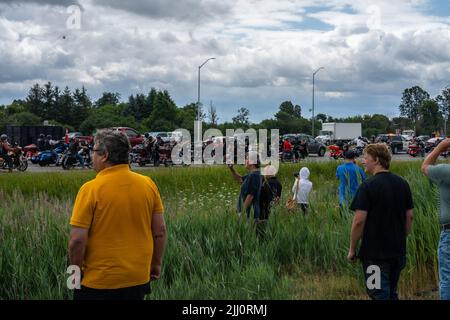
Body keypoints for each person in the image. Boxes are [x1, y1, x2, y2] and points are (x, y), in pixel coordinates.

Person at [69, 129, 167, 300]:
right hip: (137, 278)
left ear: (104, 155)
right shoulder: (148, 185)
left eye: (93, 151)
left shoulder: (90, 189)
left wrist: (74, 275)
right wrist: (156, 265)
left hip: (98, 282)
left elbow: (77, 241)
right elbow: (160, 231)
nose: (92, 156)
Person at [348, 143, 414, 300]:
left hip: (374, 256)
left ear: (376, 160)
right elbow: (410, 216)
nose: (364, 161)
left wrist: (352, 249)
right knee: (391, 292)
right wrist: (401, 236)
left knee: (377, 294)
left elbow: (358, 221)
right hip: (397, 252)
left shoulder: (367, 186)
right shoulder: (403, 184)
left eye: (366, 158)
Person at [421, 138, 450, 300]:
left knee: (447, 279)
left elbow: (424, 167)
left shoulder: (446, 171)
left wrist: (439, 148)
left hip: (449, 231)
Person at [228, 151, 262, 220]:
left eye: (246, 159)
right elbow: (240, 179)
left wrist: (243, 212)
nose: (245, 161)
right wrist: (231, 169)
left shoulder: (254, 175)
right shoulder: (253, 174)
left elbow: (250, 195)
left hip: (249, 213)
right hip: (249, 212)